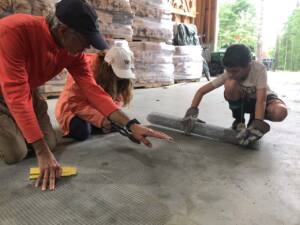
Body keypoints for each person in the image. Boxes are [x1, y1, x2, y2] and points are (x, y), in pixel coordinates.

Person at [0, 0, 171, 191]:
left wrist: (131, 124)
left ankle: (17, 126)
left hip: (28, 91)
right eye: (85, 40)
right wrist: (41, 153)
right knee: (16, 153)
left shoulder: (71, 52)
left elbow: (93, 91)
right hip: (4, 92)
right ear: (63, 31)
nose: (88, 46)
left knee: (50, 142)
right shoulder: (14, 31)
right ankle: (13, 128)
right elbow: (16, 95)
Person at [182, 44, 287, 146]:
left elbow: (261, 101)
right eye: (228, 70)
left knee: (280, 111)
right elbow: (201, 91)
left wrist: (258, 123)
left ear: (249, 65)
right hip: (245, 101)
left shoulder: (259, 69)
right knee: (230, 84)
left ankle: (254, 122)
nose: (231, 74)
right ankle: (239, 121)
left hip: (264, 100)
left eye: (235, 71)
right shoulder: (230, 73)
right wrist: (192, 112)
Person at [56, 46, 135, 141]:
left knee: (118, 122)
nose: (121, 78)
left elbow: (118, 98)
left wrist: (110, 116)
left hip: (100, 107)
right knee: (82, 132)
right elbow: (76, 102)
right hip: (73, 107)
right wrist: (101, 119)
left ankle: (98, 124)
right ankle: (95, 125)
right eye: (119, 73)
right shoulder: (83, 68)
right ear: (108, 66)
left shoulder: (119, 76)